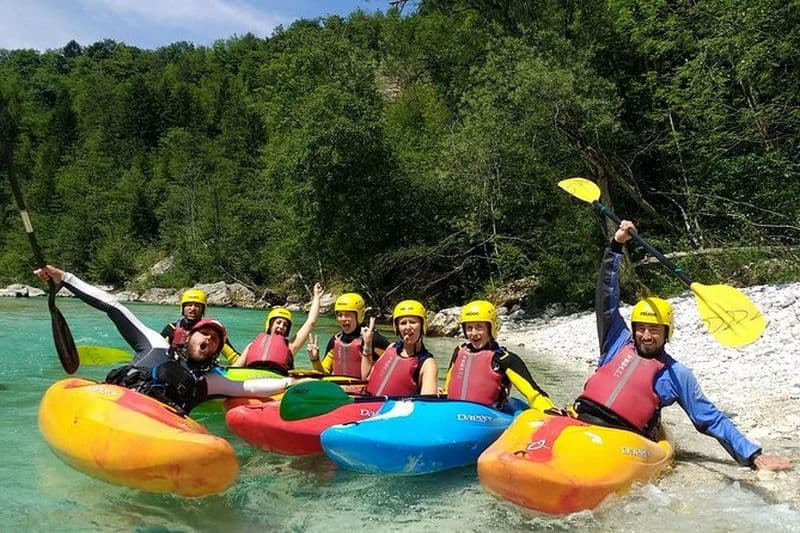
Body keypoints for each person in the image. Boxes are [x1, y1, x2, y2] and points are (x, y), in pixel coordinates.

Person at [571, 220, 791, 471]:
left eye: (654, 330)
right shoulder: (616, 342)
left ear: (667, 334)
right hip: (583, 421)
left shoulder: (676, 374)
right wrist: (616, 246)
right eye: (640, 328)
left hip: (623, 440)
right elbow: (606, 296)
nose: (645, 335)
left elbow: (709, 417)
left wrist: (753, 456)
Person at [34, 265, 302, 415]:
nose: (208, 340)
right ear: (190, 337)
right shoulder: (155, 344)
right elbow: (113, 307)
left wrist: (292, 383)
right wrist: (64, 278)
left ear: (215, 353)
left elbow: (250, 388)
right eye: (204, 333)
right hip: (114, 404)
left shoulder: (209, 382)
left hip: (158, 423)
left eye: (215, 341)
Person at [444, 300, 556, 411]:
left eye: (479, 327)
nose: (473, 333)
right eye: (469, 328)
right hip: (455, 412)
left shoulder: (505, 359)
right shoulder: (459, 352)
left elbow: (534, 393)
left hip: (491, 417)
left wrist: (549, 409)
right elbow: (448, 388)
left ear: (491, 328)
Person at [232, 282, 324, 375]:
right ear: (270, 324)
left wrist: (316, 296)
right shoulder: (252, 346)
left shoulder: (290, 346)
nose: (281, 327)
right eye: (278, 322)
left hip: (277, 382)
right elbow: (235, 368)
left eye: (285, 325)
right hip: (252, 382)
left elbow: (310, 322)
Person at [361, 299, 438, 396]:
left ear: (422, 326)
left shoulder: (427, 364)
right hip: (369, 408)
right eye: (403, 323)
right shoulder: (391, 347)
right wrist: (367, 343)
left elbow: (426, 405)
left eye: (413, 322)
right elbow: (365, 378)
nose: (408, 327)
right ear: (397, 328)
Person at [308, 292, 390, 378]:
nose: (342, 319)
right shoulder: (335, 340)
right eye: (340, 315)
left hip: (365, 390)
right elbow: (323, 374)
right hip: (339, 389)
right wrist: (315, 359)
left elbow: (393, 364)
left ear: (359, 315)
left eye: (347, 315)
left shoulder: (374, 339)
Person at [161, 288, 241, 365]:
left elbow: (233, 357)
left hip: (205, 372)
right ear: (183, 308)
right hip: (177, 370)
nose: (192, 309)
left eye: (197, 306)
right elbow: (157, 352)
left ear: (203, 310)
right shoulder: (171, 329)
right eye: (189, 305)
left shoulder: (212, 332)